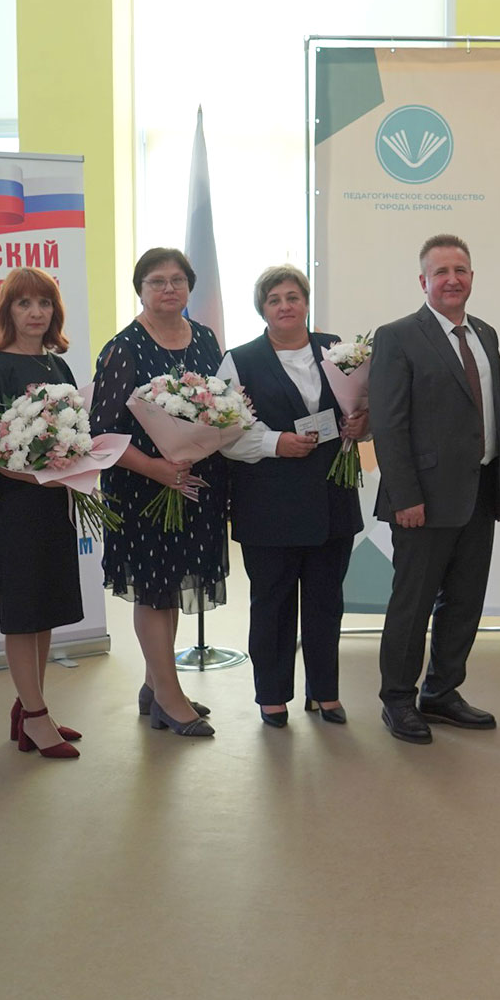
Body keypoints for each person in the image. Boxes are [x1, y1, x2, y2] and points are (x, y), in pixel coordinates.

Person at [371, 235, 500, 744]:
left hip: (480, 492)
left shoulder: (486, 334)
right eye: (441, 272)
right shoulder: (397, 337)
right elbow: (389, 425)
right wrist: (405, 496)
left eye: (461, 270)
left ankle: (442, 691)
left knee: (464, 600)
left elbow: (497, 412)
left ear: (472, 277)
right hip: (423, 501)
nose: (453, 279)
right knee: (412, 605)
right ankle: (397, 698)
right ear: (423, 281)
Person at [220, 265, 367, 728]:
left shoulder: (338, 350)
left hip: (331, 499)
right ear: (262, 309)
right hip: (269, 505)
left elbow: (362, 408)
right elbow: (223, 432)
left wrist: (362, 423)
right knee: (273, 603)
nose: (285, 306)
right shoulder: (239, 360)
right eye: (274, 300)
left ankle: (325, 692)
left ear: (306, 302)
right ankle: (272, 695)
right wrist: (274, 443)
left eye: (293, 297)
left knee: (326, 602)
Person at [90, 248, 229, 739]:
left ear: (189, 286)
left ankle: (156, 687)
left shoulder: (206, 338)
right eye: (156, 281)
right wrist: (156, 468)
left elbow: (222, 405)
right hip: (141, 487)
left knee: (171, 586)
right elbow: (101, 432)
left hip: (194, 482)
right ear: (140, 290)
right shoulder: (123, 348)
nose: (169, 288)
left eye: (177, 280)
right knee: (153, 590)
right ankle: (170, 698)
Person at [0, 268, 86, 759]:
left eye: (44, 303)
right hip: (17, 506)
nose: (36, 312)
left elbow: (78, 432)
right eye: (24, 303)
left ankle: (31, 708)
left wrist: (77, 464)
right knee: (23, 612)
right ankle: (36, 717)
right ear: (8, 311)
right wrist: (41, 478)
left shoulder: (59, 366)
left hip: (55, 503)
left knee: (45, 609)